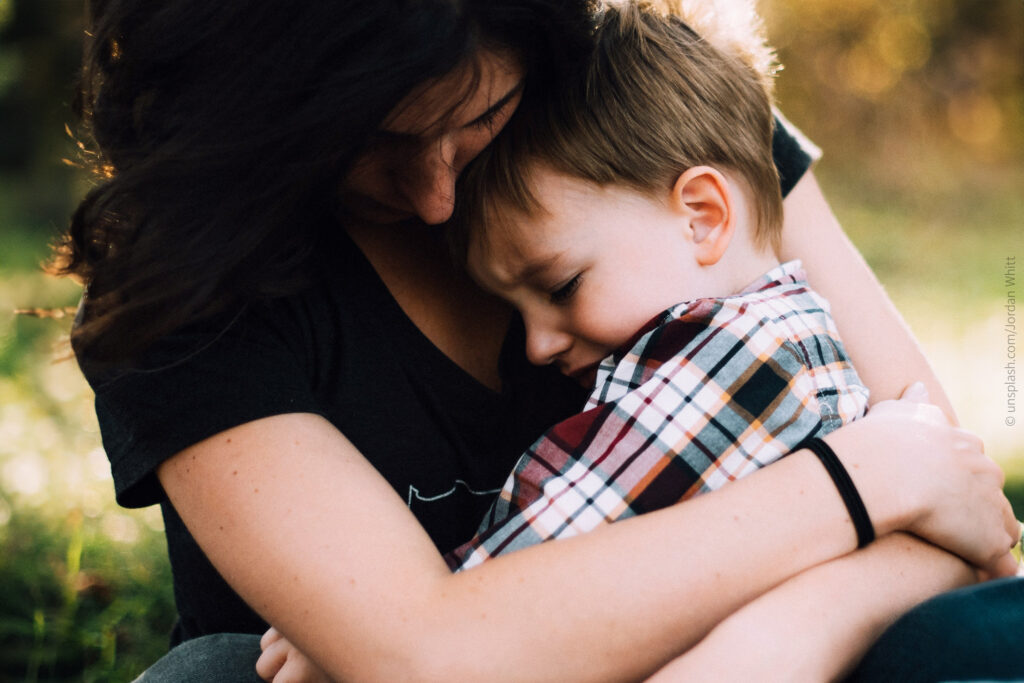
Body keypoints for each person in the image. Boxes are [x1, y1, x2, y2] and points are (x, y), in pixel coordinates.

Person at [52, 0, 1020, 681]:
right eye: (371, 144)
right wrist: (857, 484)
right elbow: (423, 658)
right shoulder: (182, 276)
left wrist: (785, 638)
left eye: (475, 118)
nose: (436, 196)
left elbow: (963, 514)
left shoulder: (644, 106)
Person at [444, 0, 871, 570]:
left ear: (702, 218)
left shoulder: (744, 355)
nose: (536, 345)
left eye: (562, 286)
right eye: (514, 311)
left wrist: (367, 633)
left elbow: (557, 546)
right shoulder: (768, 337)